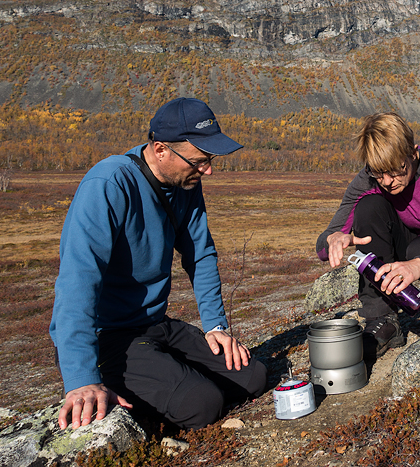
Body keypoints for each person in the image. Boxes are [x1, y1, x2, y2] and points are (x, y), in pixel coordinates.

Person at [50, 97, 267, 431]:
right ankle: (118, 383)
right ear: (161, 149)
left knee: (252, 376)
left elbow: (200, 253)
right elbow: (78, 281)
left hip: (154, 324)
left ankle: (164, 374)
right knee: (201, 403)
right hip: (108, 337)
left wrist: (216, 326)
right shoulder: (109, 185)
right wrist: (81, 377)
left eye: (208, 160)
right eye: (198, 161)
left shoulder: (186, 182)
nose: (207, 170)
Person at [316, 112, 420, 359]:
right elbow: (323, 245)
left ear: (413, 153)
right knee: (369, 208)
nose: (387, 181)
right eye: (378, 172)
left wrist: (418, 266)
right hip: (412, 243)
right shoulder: (369, 179)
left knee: (418, 251)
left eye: (396, 169)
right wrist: (333, 239)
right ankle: (383, 319)